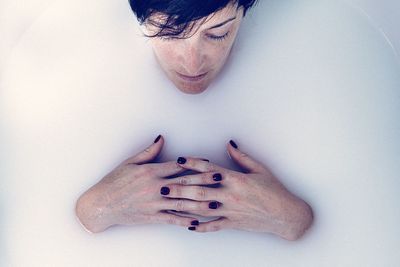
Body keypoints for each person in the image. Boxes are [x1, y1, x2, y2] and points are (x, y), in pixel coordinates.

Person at [75, 0, 314, 241]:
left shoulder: (301, 73)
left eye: (218, 34)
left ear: (244, 14)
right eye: (168, 33)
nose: (192, 63)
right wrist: (97, 207)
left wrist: (288, 216)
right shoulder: (89, 82)